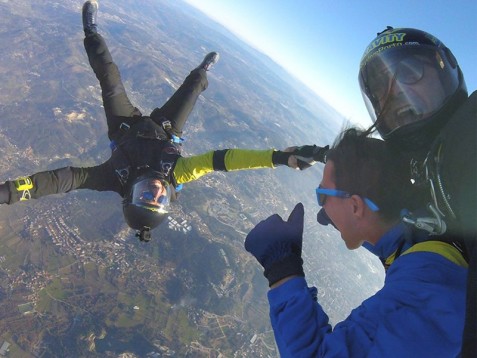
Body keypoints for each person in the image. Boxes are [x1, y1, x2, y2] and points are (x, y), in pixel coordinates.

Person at [0, 1, 327, 242]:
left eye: (146, 197)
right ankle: (204, 70)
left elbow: (59, 181)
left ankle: (90, 31)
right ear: (169, 200)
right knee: (192, 89)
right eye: (161, 201)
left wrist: (8, 193)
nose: (156, 193)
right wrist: (279, 158)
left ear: (130, 193)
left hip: (126, 128)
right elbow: (225, 160)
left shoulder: (112, 178)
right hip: (167, 133)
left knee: (110, 80)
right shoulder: (177, 174)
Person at [245, 128, 468, 357]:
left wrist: (282, 267)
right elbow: (389, 234)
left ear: (355, 206)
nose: (322, 207)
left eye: (322, 196)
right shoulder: (422, 227)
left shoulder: (425, 295)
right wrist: (352, 225)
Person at [358, 26, 476, 356]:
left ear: (445, 69)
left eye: (407, 72)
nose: (392, 95)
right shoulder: (425, 163)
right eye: (379, 93)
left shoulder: (468, 134)